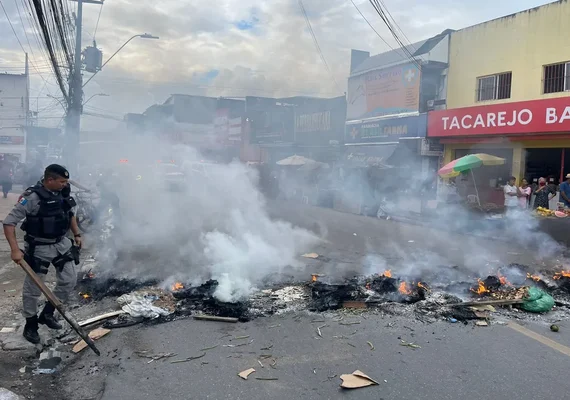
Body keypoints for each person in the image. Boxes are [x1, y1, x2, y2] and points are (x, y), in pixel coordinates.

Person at [2, 164, 83, 344]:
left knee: (69, 280)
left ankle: (47, 314)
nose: (64, 184)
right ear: (50, 180)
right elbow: (8, 223)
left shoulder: (63, 192)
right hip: (39, 248)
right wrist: (15, 250)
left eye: (65, 181)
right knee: (32, 290)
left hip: (62, 244)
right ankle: (30, 325)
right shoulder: (31, 198)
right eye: (61, 181)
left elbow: (69, 213)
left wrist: (76, 234)